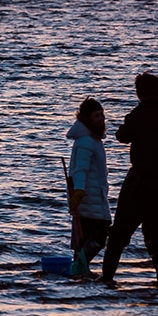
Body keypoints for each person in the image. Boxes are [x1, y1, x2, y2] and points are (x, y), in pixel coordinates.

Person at [100, 72, 158, 286]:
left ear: (138, 93)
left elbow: (122, 136)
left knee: (119, 233)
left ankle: (107, 276)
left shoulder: (136, 116)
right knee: (157, 234)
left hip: (140, 181)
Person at [67, 98, 113, 278]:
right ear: (87, 119)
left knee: (83, 239)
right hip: (88, 197)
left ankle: (80, 271)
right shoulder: (86, 141)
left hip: (94, 196)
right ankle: (79, 266)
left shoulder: (93, 140)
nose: (101, 119)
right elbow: (80, 170)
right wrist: (79, 192)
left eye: (102, 115)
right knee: (100, 234)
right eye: (96, 116)